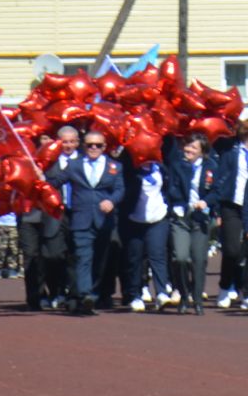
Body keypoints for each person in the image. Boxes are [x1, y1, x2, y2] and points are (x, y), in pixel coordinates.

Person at [50, 129, 124, 314]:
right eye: (90, 145)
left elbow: (120, 190)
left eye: (98, 145)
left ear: (104, 147)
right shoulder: (74, 165)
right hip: (81, 218)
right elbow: (56, 182)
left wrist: (112, 201)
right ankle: (85, 294)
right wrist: (41, 176)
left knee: (99, 260)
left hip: (104, 220)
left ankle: (92, 292)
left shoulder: (114, 166)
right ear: (84, 145)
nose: (93, 148)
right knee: (84, 257)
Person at [21, 127, 76, 310]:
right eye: (64, 142)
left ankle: (69, 293)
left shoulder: (84, 161)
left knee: (73, 256)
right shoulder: (47, 162)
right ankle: (44, 294)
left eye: (72, 141)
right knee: (51, 255)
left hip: (77, 213)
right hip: (51, 214)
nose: (68, 146)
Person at [164, 134, 217, 315]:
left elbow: (217, 191)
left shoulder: (211, 167)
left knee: (199, 259)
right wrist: (178, 204)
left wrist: (206, 202)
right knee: (180, 257)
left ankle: (197, 298)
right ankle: (183, 293)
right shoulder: (177, 165)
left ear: (202, 151)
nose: (189, 151)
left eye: (193, 148)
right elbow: (171, 188)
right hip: (181, 217)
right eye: (187, 147)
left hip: (201, 218)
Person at [216, 124, 248, 309]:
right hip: (232, 204)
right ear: (247, 134)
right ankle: (225, 286)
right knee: (232, 250)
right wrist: (217, 208)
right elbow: (222, 178)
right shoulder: (232, 153)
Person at [120, 155, 173, 311]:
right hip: (134, 218)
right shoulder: (130, 170)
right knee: (135, 258)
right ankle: (135, 294)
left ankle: (162, 293)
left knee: (158, 254)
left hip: (158, 217)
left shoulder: (161, 168)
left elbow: (167, 188)